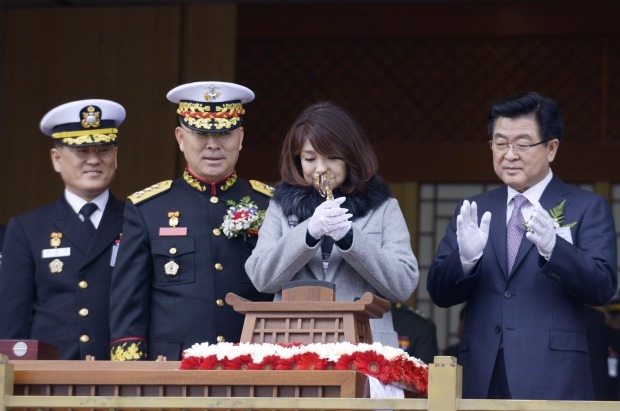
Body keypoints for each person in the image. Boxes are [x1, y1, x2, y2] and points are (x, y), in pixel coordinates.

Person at [427, 91, 617, 400]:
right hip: (482, 374)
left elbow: (602, 287)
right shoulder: (473, 209)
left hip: (554, 375)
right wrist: (466, 260)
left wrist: (554, 249)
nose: (509, 154)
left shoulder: (586, 206)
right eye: (500, 143)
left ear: (551, 148)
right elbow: (438, 292)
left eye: (523, 144)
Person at [109, 81, 274, 361]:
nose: (213, 144)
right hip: (173, 366)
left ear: (241, 137)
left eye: (225, 133)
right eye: (199, 133)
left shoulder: (270, 205)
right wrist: (133, 372)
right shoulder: (148, 208)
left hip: (256, 362)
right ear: (180, 137)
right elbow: (129, 301)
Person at [245, 101, 419, 347]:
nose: (321, 169)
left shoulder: (384, 208)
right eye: (309, 158)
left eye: (332, 158)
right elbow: (261, 278)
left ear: (351, 157)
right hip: (293, 343)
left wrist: (350, 238)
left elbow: (403, 285)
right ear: (297, 161)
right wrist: (308, 233)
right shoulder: (281, 207)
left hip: (365, 345)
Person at [0, 99, 126, 360]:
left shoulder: (137, 219)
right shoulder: (27, 228)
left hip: (121, 371)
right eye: (81, 151)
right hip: (51, 376)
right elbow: (13, 318)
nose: (93, 160)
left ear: (115, 155)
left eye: (103, 149)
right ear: (57, 159)